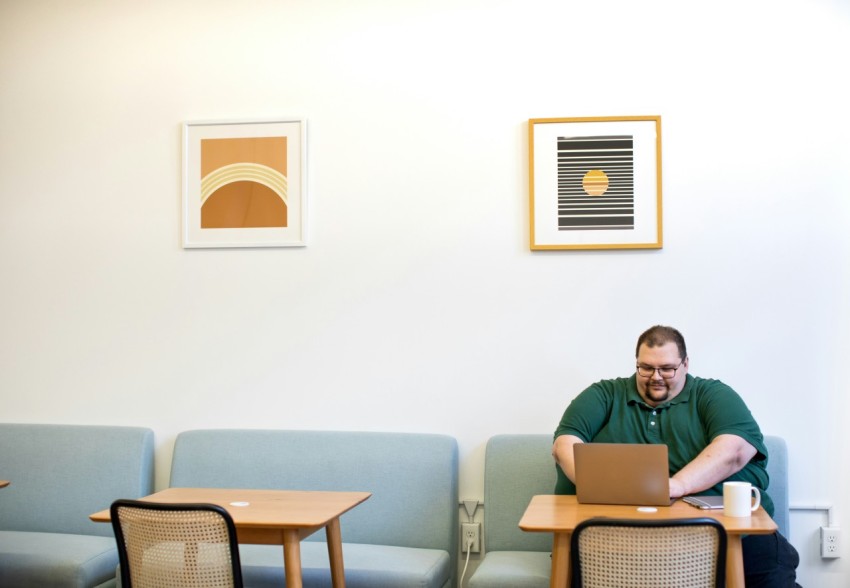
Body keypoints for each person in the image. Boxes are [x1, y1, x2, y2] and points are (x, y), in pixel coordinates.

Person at [552, 325, 800, 588]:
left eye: (667, 368)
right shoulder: (604, 394)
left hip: (732, 537)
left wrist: (674, 486)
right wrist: (605, 489)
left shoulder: (713, 395)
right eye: (646, 368)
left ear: (685, 364)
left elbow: (736, 450)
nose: (656, 377)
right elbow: (564, 445)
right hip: (616, 538)